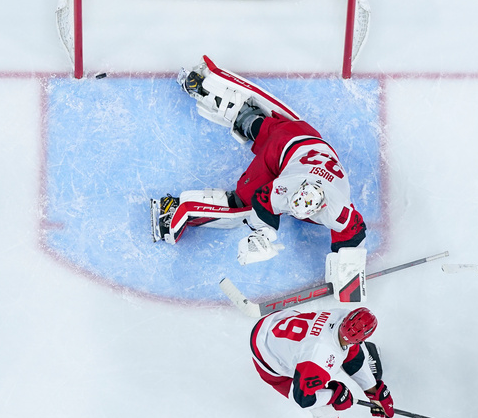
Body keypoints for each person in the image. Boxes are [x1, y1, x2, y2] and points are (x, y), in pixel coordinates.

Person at [151, 55, 369, 303]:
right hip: (282, 153)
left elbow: (353, 236)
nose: (294, 212)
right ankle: (174, 208)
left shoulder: (336, 209)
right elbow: (261, 201)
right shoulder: (292, 191)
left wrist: (345, 271)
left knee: (267, 130)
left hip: (304, 135)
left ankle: (233, 106)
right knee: (241, 203)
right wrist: (262, 237)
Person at [249, 305, 395, 418]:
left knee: (345, 348)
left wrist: (373, 390)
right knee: (326, 413)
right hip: (267, 357)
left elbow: (350, 352)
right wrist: (335, 396)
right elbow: (302, 399)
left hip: (274, 324)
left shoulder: (341, 316)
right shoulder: (318, 359)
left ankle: (363, 359)